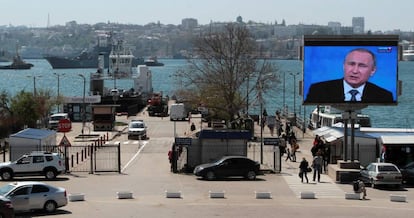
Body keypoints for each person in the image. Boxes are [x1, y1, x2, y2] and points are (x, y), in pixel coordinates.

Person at [305, 48, 394, 103]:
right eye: (351, 64)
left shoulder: (384, 96)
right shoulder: (317, 90)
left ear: (373, 71)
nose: (355, 71)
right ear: (344, 66)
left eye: (362, 66)